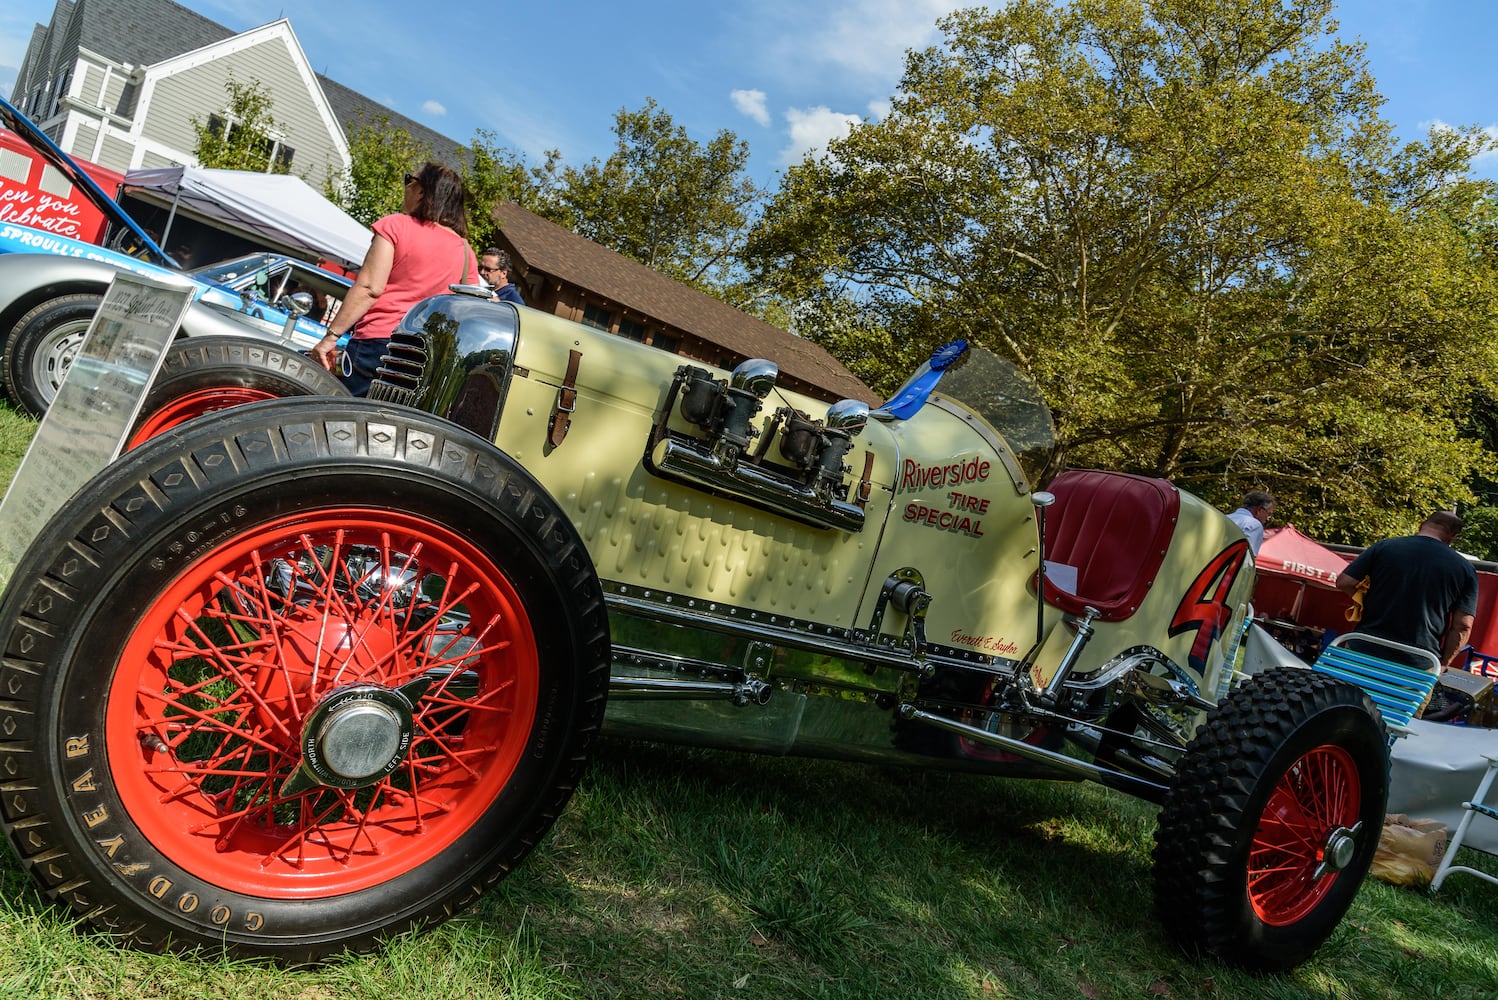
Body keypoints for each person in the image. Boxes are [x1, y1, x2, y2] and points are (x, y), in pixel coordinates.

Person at [312, 162, 479, 395]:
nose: (406, 187)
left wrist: (331, 337)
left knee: (341, 418)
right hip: (423, 358)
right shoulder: (465, 252)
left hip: (378, 343)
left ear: (423, 191)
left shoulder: (396, 226)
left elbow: (370, 287)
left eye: (409, 179)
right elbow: (467, 312)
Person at [1335, 510, 1479, 669]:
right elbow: (1462, 626)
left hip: (1364, 648)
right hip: (1418, 663)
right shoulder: (1464, 568)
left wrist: (1366, 600)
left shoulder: (1384, 547)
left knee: (1348, 693)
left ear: (1421, 525)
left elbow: (1344, 582)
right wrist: (1443, 663)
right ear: (1453, 537)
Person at [1226, 490, 1274, 555]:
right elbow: (1247, 558)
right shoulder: (1255, 525)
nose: (1268, 518)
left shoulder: (1225, 518)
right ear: (1259, 510)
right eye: (1268, 514)